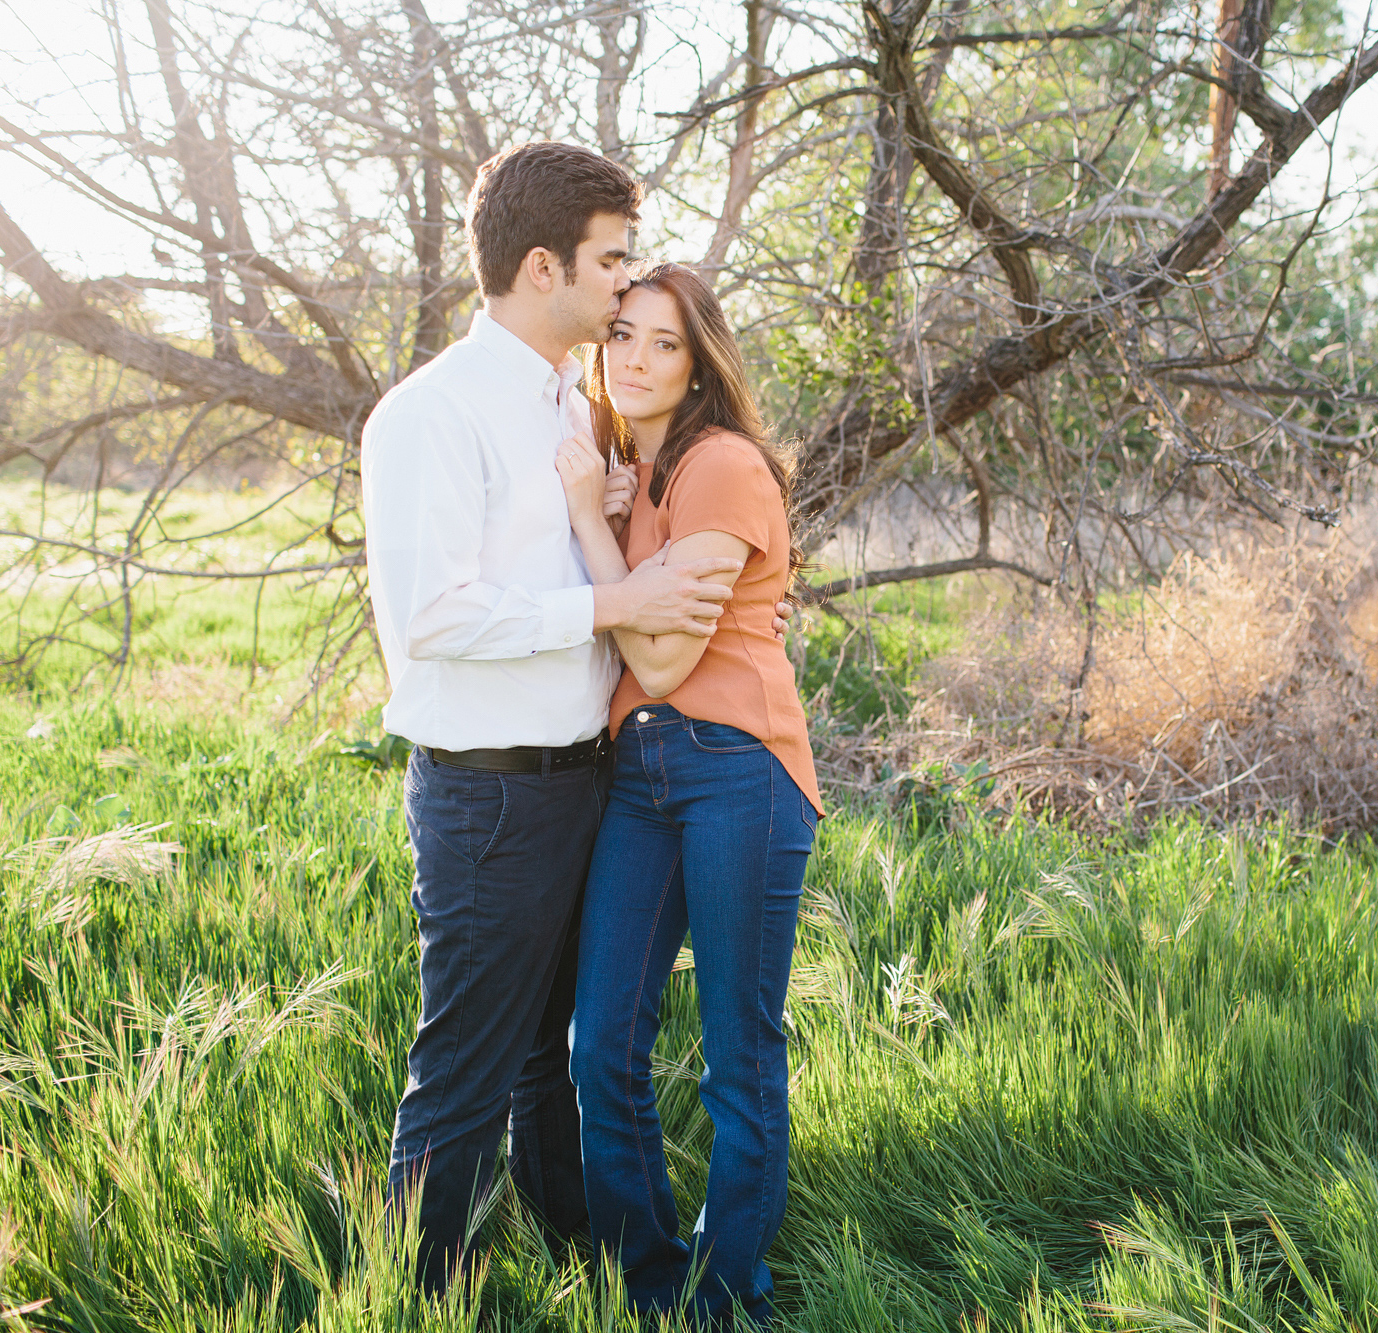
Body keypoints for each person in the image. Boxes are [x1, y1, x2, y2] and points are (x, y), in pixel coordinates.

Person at [360, 142, 789, 1293]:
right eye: (609, 265)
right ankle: (418, 1294)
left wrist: (598, 515)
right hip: (489, 790)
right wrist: (614, 598)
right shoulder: (431, 415)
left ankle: (585, 1260)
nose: (621, 289)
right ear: (543, 265)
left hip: (585, 778)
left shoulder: (572, 403)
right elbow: (434, 616)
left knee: (554, 1062)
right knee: (465, 1065)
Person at [552, 263, 822, 1328]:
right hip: (640, 774)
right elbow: (642, 650)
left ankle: (727, 1296)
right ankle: (653, 1284)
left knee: (736, 1052)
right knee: (600, 1043)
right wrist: (609, 515)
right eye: (622, 334)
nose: (638, 358)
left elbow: (662, 666)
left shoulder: (719, 466)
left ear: (699, 358)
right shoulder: (636, 470)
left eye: (666, 342)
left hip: (735, 768)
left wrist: (589, 529)